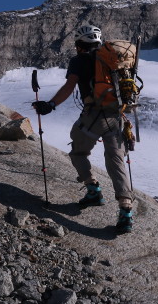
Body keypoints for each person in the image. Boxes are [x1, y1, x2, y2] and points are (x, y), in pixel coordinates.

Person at [32, 24, 134, 234]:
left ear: (79, 44)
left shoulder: (80, 60)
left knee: (78, 151)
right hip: (117, 117)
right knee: (116, 160)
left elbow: (70, 85)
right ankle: (126, 211)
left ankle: (93, 190)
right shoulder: (113, 59)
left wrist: (50, 105)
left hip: (93, 117)